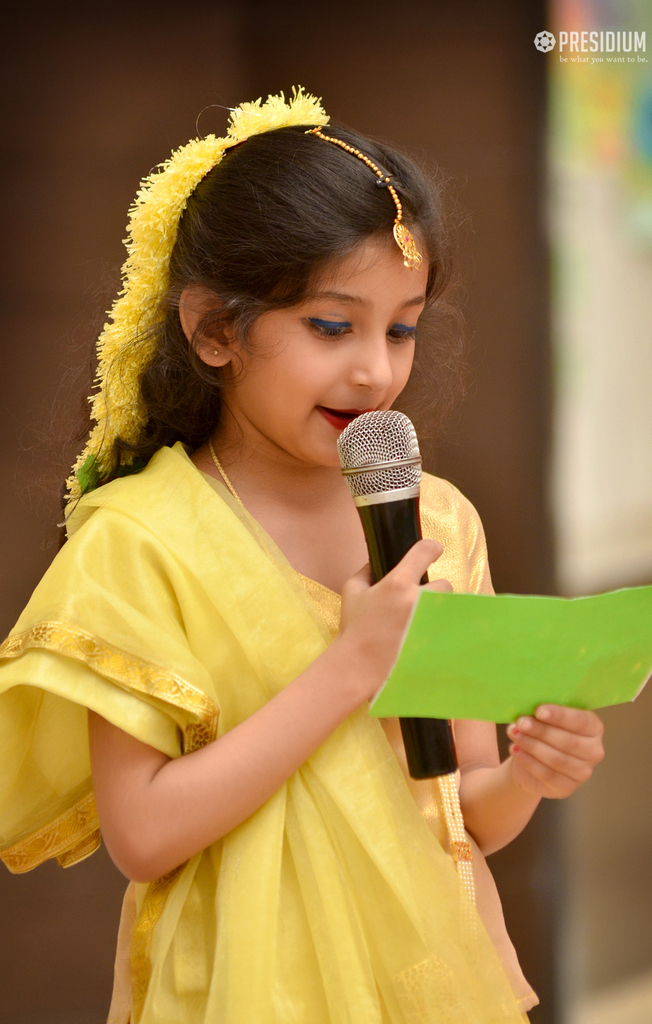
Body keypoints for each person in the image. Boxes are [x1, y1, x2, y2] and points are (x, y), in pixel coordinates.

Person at [0, 89, 604, 1024]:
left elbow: (463, 815)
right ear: (213, 330)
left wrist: (531, 774)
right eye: (333, 326)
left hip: (434, 977)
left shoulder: (438, 519)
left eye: (400, 328)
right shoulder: (140, 539)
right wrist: (352, 666)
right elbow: (145, 837)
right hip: (239, 989)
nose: (375, 371)